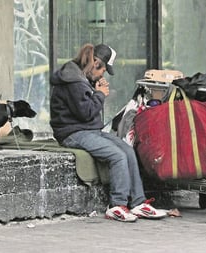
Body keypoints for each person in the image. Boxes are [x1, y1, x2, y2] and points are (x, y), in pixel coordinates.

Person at [49, 43, 166, 222]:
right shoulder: (73, 81)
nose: (102, 74)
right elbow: (86, 112)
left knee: (127, 150)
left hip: (88, 130)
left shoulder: (81, 78)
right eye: (102, 70)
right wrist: (100, 94)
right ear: (95, 63)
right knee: (117, 155)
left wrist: (95, 88)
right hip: (72, 133)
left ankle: (137, 202)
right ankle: (117, 205)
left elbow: (85, 105)